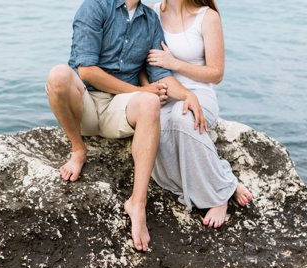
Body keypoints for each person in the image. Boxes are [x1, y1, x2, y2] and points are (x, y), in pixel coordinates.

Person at [45, 0, 207, 252]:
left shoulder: (150, 21)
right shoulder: (96, 7)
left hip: (119, 109)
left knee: (150, 102)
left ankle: (137, 203)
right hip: (85, 104)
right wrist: (139, 90)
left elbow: (160, 77)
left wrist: (188, 95)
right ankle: (78, 150)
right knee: (58, 75)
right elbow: (86, 70)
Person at [144, 0, 253, 228]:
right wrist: (148, 90)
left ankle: (218, 195)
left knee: (180, 118)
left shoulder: (207, 17)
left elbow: (216, 74)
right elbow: (143, 65)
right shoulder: (151, 13)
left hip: (199, 93)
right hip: (164, 92)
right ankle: (227, 180)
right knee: (157, 132)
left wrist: (175, 63)